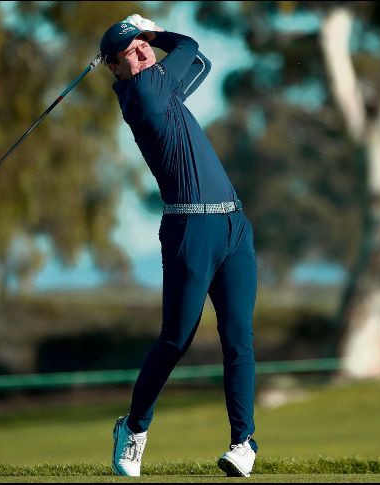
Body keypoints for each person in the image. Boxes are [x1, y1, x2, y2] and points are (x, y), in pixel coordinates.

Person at [99, 14, 259, 478]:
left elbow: (201, 63)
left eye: (143, 46)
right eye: (130, 52)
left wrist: (142, 35)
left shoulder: (162, 88)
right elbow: (188, 45)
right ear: (115, 68)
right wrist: (151, 28)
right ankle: (133, 429)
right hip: (190, 231)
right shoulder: (146, 93)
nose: (142, 52)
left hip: (233, 224)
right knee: (176, 339)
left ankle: (243, 442)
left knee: (238, 337)